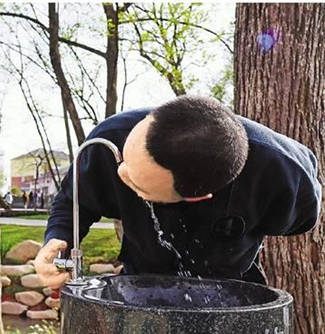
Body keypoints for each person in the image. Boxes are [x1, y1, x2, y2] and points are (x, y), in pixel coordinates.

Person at [34, 96, 321, 289]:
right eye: (126, 162)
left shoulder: (284, 174)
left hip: (232, 284)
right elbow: (74, 202)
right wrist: (57, 238)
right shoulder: (110, 142)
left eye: (139, 186)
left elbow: (298, 223)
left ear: (196, 197)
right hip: (140, 282)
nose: (122, 174)